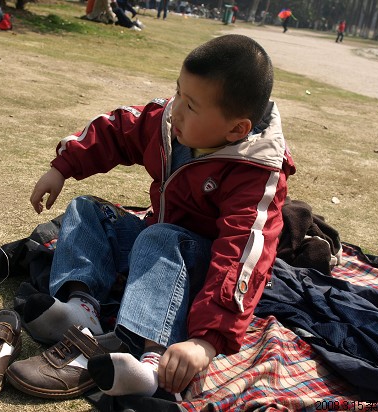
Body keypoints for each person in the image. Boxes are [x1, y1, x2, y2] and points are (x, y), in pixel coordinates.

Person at [26, 34, 295, 398]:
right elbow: (116, 129)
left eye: (191, 105)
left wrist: (206, 341)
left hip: (203, 273)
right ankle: (82, 306)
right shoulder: (169, 123)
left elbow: (243, 256)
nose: (176, 109)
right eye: (178, 91)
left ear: (236, 129)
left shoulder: (257, 172)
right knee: (87, 209)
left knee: (160, 236)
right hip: (154, 248)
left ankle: (150, 356)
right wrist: (63, 166)